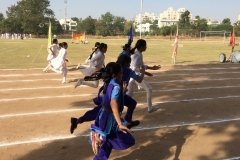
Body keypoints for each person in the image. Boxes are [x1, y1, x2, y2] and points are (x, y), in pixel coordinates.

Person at [70, 55, 145, 134]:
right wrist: (143, 71)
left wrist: (97, 71)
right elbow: (139, 80)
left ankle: (78, 121)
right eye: (129, 63)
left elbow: (104, 70)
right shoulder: (128, 71)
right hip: (115, 93)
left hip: (107, 91)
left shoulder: (113, 67)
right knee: (102, 111)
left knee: (101, 110)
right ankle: (123, 123)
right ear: (126, 63)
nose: (130, 65)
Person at [89, 62, 135, 159]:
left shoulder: (109, 82)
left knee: (108, 143)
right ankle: (101, 138)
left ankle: (99, 157)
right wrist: (120, 124)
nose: (122, 75)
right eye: (121, 73)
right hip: (109, 120)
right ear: (114, 75)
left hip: (103, 116)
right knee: (128, 141)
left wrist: (122, 93)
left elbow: (109, 98)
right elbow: (113, 103)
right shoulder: (117, 87)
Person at [127, 39, 161, 113]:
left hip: (132, 76)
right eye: (145, 46)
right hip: (135, 76)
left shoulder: (138, 54)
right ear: (142, 47)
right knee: (149, 89)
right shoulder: (137, 55)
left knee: (128, 95)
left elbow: (141, 66)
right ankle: (150, 108)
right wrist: (145, 73)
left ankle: (117, 107)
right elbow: (135, 68)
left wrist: (152, 68)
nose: (146, 47)